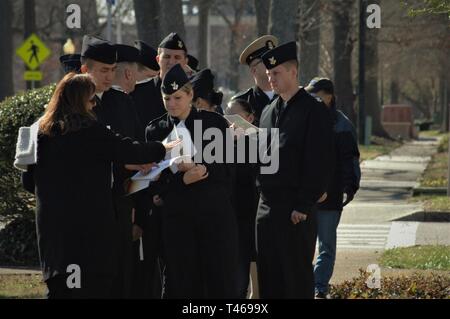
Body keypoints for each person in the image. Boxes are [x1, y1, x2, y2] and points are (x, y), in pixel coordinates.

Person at [21, 73, 169, 299]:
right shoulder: (90, 131)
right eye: (91, 100)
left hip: (54, 235)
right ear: (79, 101)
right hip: (88, 235)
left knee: (62, 290)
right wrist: (163, 148)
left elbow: (29, 181)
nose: (95, 105)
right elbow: (127, 149)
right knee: (87, 289)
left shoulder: (41, 134)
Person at [145, 64, 239, 298]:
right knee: (181, 282)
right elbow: (154, 184)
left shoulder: (214, 124)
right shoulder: (155, 130)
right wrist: (182, 178)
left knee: (218, 283)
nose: (172, 103)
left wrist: (200, 167)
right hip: (178, 222)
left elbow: (227, 174)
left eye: (178, 97)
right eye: (167, 98)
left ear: (190, 95)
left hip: (213, 219)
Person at [255, 42, 334, 299]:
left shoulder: (313, 110)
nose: (270, 79)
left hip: (294, 212)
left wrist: (303, 204)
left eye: (276, 73)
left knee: (295, 281)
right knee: (270, 281)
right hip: (267, 211)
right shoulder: (268, 112)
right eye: (268, 74)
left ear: (293, 71)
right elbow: (264, 156)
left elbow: (319, 161)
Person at [80, 36, 145, 298]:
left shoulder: (122, 102)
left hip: (120, 203)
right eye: (102, 70)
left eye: (112, 70)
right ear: (85, 70)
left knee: (120, 277)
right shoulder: (72, 104)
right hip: (85, 207)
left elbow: (139, 152)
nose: (109, 76)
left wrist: (138, 211)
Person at [305, 77, 361, 299]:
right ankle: (307, 284)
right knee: (304, 246)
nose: (312, 98)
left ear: (329, 96)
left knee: (326, 245)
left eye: (316, 94)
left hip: (332, 195)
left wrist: (351, 187)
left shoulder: (342, 124)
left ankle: (319, 286)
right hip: (307, 195)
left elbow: (351, 159)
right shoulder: (306, 120)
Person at [225, 99, 259, 298]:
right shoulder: (221, 143)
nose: (231, 123)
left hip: (250, 215)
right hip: (229, 216)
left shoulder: (259, 144)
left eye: (235, 117)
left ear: (250, 118)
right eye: (227, 116)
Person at [232, 35, 278, 123]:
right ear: (253, 70)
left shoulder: (289, 97)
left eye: (274, 58)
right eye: (266, 60)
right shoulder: (241, 103)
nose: (273, 63)